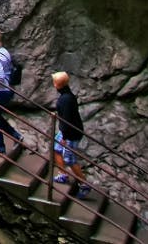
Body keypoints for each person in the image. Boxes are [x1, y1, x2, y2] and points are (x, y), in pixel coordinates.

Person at [52, 71, 91, 199]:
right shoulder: (67, 95)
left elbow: (66, 120)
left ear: (57, 85)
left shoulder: (66, 99)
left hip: (71, 133)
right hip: (67, 130)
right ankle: (63, 175)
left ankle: (84, 185)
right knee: (57, 149)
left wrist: (64, 137)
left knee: (70, 159)